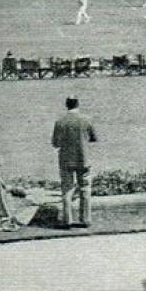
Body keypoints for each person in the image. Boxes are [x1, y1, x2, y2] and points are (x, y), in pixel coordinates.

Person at [52, 96, 97, 228]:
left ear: (66, 105)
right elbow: (93, 138)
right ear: (78, 104)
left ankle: (67, 220)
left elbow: (55, 143)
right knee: (85, 189)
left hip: (66, 160)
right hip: (83, 159)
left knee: (67, 189)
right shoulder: (86, 119)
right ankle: (85, 219)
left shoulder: (60, 122)